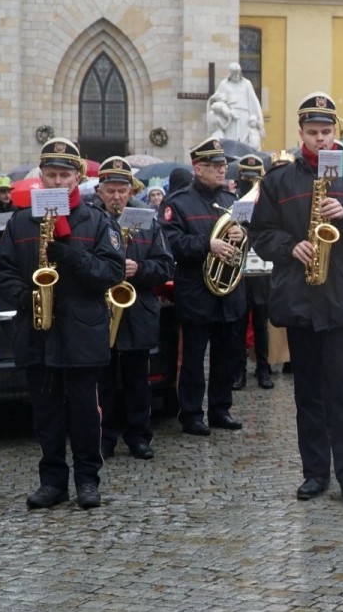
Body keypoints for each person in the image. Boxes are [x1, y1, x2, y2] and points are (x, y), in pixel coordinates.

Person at [249, 92, 343, 501]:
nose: (320, 140)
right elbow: (260, 235)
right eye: (312, 133)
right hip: (300, 297)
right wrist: (290, 246)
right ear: (300, 134)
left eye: (326, 132)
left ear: (336, 133)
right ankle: (314, 472)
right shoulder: (278, 180)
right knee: (307, 391)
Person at [0, 137, 125, 509]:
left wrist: (73, 256)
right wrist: (24, 296)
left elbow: (111, 272)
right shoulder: (20, 221)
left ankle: (87, 480)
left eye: (64, 175)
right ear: (41, 178)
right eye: (50, 175)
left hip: (81, 331)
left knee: (84, 412)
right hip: (37, 330)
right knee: (45, 414)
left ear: (77, 177)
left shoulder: (98, 221)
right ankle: (52, 482)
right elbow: (2, 271)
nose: (57, 182)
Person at [158, 137, 247, 436]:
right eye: (216, 166)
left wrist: (240, 236)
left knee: (227, 357)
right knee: (193, 360)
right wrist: (208, 245)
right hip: (196, 292)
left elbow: (248, 244)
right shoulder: (178, 202)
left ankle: (221, 409)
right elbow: (170, 243)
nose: (223, 170)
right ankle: (192, 414)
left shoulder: (231, 202)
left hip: (228, 294)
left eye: (223, 165)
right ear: (198, 168)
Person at [94, 157, 174, 460]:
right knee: (102, 381)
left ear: (131, 191)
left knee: (138, 381)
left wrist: (138, 268)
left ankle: (139, 436)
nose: (116, 197)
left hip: (138, 310)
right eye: (111, 191)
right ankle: (104, 437)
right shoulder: (91, 220)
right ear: (100, 192)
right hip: (100, 313)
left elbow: (166, 267)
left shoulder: (147, 221)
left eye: (122, 191)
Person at [233, 155, 275, 391]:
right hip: (239, 268)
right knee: (239, 323)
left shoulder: (266, 202)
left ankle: (263, 369)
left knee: (261, 323)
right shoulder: (234, 199)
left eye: (253, 177)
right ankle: (239, 371)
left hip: (260, 269)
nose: (249, 181)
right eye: (246, 177)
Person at [207, 62, 265, 149]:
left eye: (238, 73)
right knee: (230, 141)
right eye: (234, 73)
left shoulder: (247, 84)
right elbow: (215, 100)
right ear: (230, 73)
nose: (236, 75)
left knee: (244, 141)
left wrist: (258, 120)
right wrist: (214, 100)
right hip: (230, 116)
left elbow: (254, 101)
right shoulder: (224, 84)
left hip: (244, 116)